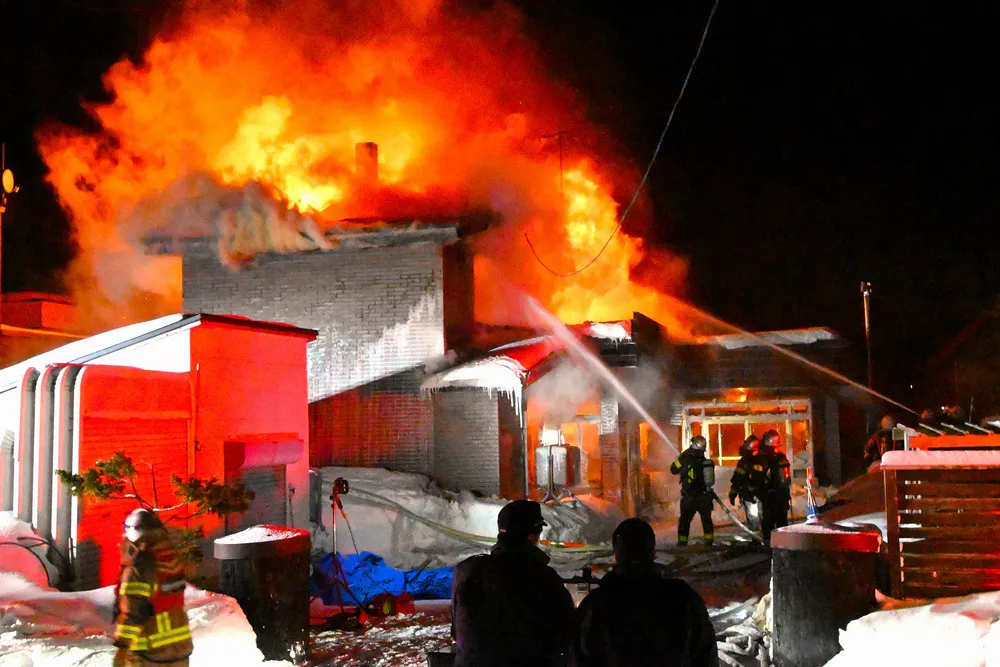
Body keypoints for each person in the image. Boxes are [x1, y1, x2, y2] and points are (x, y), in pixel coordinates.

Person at [573, 518, 719, 667]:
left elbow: (577, 657)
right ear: (653, 553)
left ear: (616, 555)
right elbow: (706, 655)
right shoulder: (683, 598)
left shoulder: (595, 605)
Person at [451, 499, 575, 667]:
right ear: (532, 536)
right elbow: (565, 634)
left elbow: (457, 632)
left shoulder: (466, 570)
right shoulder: (542, 577)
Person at [113, 508, 192, 667]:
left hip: (150, 653)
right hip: (180, 651)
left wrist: (122, 648)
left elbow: (134, 612)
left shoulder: (140, 568)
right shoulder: (172, 559)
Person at [669, 435, 716, 546]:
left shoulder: (685, 458)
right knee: (706, 519)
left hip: (689, 496)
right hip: (704, 496)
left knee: (684, 521)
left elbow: (673, 469)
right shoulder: (705, 461)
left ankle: (682, 542)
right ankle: (709, 541)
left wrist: (682, 456)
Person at [749, 430, 791, 544]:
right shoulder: (781, 457)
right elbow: (786, 479)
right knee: (782, 521)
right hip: (782, 495)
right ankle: (784, 544)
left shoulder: (761, 458)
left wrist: (755, 491)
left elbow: (757, 478)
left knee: (768, 522)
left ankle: (769, 544)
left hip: (768, 496)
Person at [729, 435, 761, 532]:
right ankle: (764, 537)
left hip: (750, 496)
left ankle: (757, 538)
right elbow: (738, 478)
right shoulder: (763, 459)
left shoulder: (744, 461)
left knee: (754, 520)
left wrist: (733, 493)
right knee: (761, 520)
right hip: (757, 496)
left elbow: (737, 479)